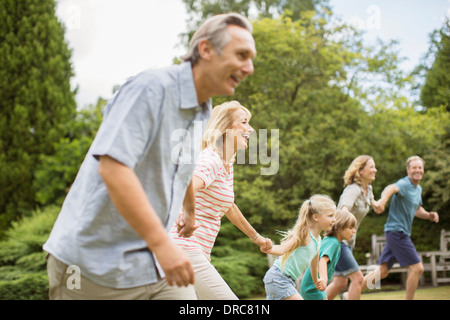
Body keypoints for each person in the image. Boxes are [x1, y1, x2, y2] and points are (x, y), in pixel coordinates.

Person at [43, 13, 257, 300]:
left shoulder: (202, 112)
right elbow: (113, 169)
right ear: (205, 50)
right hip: (91, 265)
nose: (250, 67)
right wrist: (163, 245)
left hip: (151, 265)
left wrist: (190, 211)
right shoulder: (151, 89)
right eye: (241, 55)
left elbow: (183, 171)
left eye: (251, 58)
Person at [169, 101, 272, 299]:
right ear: (225, 128)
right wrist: (186, 213)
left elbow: (228, 206)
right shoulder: (211, 160)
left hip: (197, 251)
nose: (249, 129)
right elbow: (184, 185)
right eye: (243, 122)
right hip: (185, 248)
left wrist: (256, 237)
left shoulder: (226, 164)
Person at [362, 155, 439, 300]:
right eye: (414, 167)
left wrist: (429, 215)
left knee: (383, 271)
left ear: (423, 170)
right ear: (408, 170)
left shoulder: (418, 189)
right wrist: (383, 201)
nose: (417, 170)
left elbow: (417, 210)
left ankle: (350, 294)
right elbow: (390, 188)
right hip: (397, 231)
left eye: (420, 167)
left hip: (397, 232)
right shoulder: (404, 184)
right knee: (417, 268)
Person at [325, 155, 381, 300]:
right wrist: (346, 219)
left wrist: (377, 205)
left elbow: (371, 200)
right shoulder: (353, 189)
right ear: (360, 170)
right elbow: (343, 209)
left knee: (339, 282)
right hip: (338, 241)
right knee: (358, 279)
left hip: (348, 241)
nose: (375, 170)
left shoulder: (367, 189)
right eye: (371, 167)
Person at [263, 194, 336, 300]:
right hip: (278, 278)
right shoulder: (304, 234)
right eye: (330, 216)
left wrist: (316, 281)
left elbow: (314, 265)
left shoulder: (318, 240)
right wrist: (269, 248)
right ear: (315, 217)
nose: (334, 219)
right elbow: (283, 249)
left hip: (285, 280)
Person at [300, 209, 357, 300]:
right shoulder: (333, 242)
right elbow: (322, 260)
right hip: (313, 288)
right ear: (339, 228)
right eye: (350, 228)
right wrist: (324, 279)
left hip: (314, 287)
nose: (354, 231)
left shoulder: (333, 241)